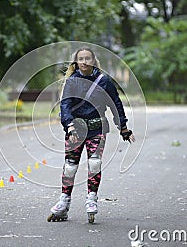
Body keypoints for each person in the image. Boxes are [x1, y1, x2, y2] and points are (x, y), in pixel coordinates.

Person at [47, 47, 135, 223]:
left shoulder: (104, 81)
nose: (85, 61)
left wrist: (123, 127)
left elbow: (115, 104)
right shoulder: (71, 81)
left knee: (94, 163)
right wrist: (69, 126)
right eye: (81, 58)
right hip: (76, 130)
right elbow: (65, 105)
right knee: (70, 166)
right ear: (76, 62)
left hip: (97, 128)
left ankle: (91, 199)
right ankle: (64, 202)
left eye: (88, 58)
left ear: (94, 61)